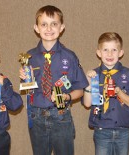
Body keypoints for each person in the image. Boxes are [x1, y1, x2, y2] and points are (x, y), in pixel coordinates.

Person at [19, 5, 88, 155]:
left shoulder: (69, 57)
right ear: (36, 28)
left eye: (54, 24)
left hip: (61, 115)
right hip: (36, 116)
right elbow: (28, 88)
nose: (49, 28)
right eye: (44, 24)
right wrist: (25, 79)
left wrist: (67, 96)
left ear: (61, 27)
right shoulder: (29, 57)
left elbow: (80, 90)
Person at [83, 32, 129, 155]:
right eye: (105, 50)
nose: (109, 54)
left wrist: (119, 92)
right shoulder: (93, 75)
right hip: (101, 129)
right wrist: (88, 83)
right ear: (98, 53)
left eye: (114, 50)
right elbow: (87, 104)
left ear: (121, 53)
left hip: (122, 130)